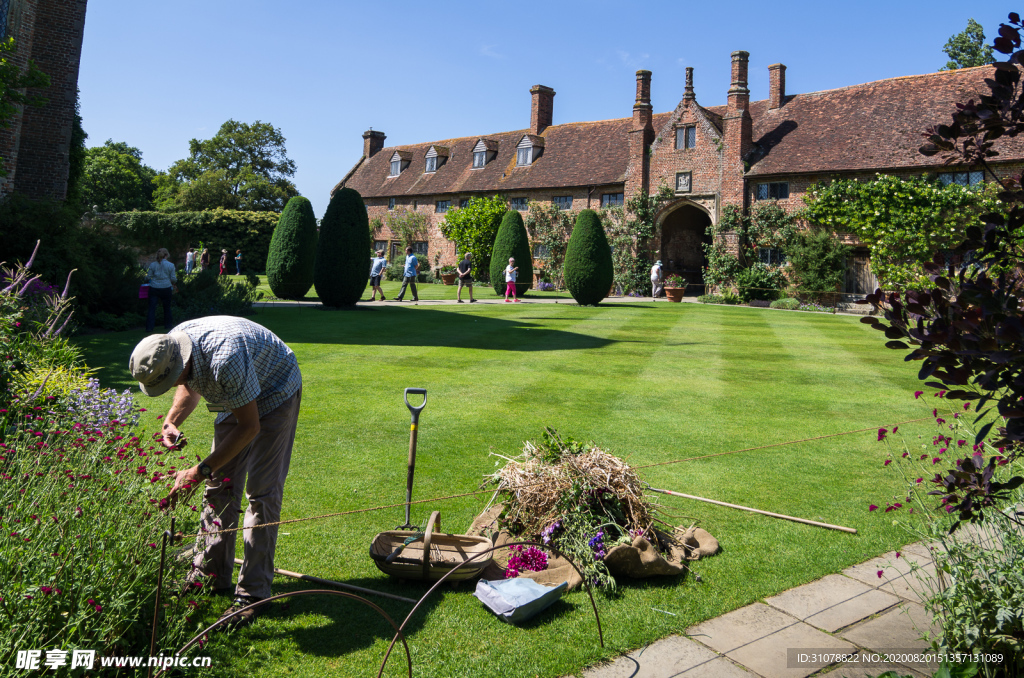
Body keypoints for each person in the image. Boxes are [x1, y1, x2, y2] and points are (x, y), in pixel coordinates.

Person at [128, 316, 302, 628]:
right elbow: (190, 382)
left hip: (276, 389)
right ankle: (210, 575)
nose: (174, 385)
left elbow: (249, 427)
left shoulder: (226, 360)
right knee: (219, 487)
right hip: (235, 393)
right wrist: (172, 420)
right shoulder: (171, 345)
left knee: (262, 494)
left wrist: (197, 471)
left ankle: (253, 594)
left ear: (179, 363)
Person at [146, 248, 177, 332]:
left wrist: (150, 280)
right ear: (166, 255)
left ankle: (149, 327)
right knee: (167, 308)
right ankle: (168, 325)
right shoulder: (171, 265)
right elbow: (173, 279)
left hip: (154, 287)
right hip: (166, 288)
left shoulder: (153, 265)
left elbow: (148, 277)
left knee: (152, 308)